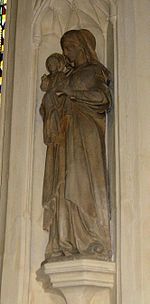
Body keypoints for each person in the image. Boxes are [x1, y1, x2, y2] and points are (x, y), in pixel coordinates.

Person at [41, 29, 112, 262]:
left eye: (69, 47)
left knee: (82, 183)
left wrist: (71, 93)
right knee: (64, 184)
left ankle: (92, 238)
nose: (66, 53)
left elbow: (103, 98)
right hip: (65, 136)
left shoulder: (94, 71)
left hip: (85, 133)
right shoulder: (65, 75)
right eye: (64, 48)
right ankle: (66, 241)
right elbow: (51, 105)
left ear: (82, 46)